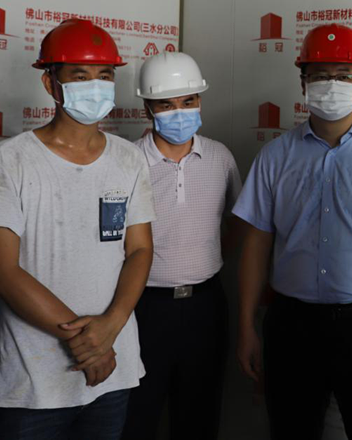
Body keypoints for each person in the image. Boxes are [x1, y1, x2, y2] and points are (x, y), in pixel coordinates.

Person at [0, 19, 156, 440]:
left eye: (105, 76)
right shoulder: (8, 161)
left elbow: (140, 250)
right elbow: (2, 271)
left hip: (114, 369)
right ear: (50, 83)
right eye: (80, 76)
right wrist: (89, 344)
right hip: (33, 381)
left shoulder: (129, 159)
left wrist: (111, 326)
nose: (96, 87)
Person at [234, 24, 352, 440]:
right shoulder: (275, 156)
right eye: (320, 75)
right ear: (303, 83)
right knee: (291, 431)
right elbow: (257, 243)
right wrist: (246, 326)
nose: (332, 85)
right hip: (292, 325)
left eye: (343, 75)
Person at [122, 51, 241, 440]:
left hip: (206, 305)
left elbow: (237, 225)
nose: (179, 113)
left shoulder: (220, 157)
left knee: (199, 419)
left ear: (200, 100)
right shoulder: (126, 162)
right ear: (147, 108)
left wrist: (202, 259)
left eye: (188, 101)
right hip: (143, 307)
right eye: (166, 104)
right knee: (136, 417)